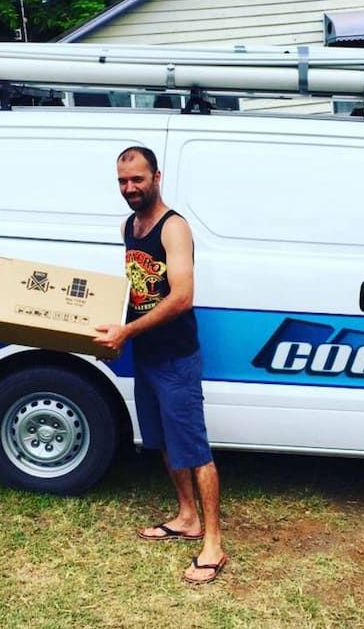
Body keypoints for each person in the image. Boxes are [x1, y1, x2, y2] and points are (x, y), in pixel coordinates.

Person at [94, 146, 227, 585]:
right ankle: (187, 516)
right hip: (145, 354)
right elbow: (135, 292)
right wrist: (116, 333)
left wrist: (127, 332)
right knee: (164, 441)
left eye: (138, 179)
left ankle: (214, 544)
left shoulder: (174, 228)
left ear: (156, 177)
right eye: (122, 181)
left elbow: (182, 297)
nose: (130, 188)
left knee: (194, 448)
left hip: (175, 356)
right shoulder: (128, 227)